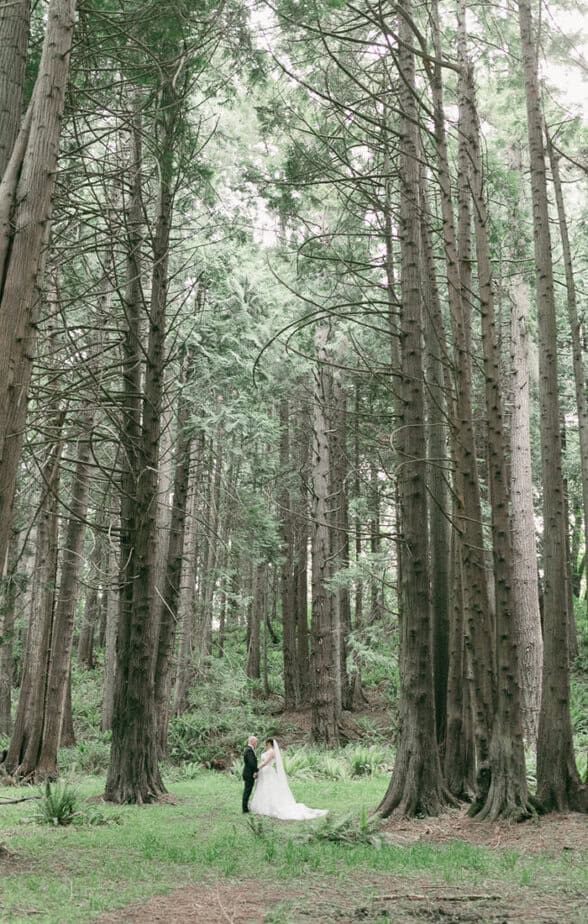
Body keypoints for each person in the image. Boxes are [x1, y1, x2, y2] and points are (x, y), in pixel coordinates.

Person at [249, 738, 328, 820]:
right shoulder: (268, 751)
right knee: (263, 788)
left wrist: (257, 769)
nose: (265, 745)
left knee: (270, 788)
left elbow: (265, 762)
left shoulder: (272, 752)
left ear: (269, 743)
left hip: (268, 770)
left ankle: (270, 806)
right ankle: (263, 805)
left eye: (266, 744)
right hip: (264, 771)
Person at [242, 735, 258, 813]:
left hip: (249, 773)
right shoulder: (249, 750)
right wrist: (257, 770)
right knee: (247, 791)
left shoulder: (249, 749)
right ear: (251, 741)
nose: (257, 743)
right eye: (256, 741)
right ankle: (245, 809)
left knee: (248, 790)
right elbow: (251, 763)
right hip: (249, 774)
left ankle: (245, 807)